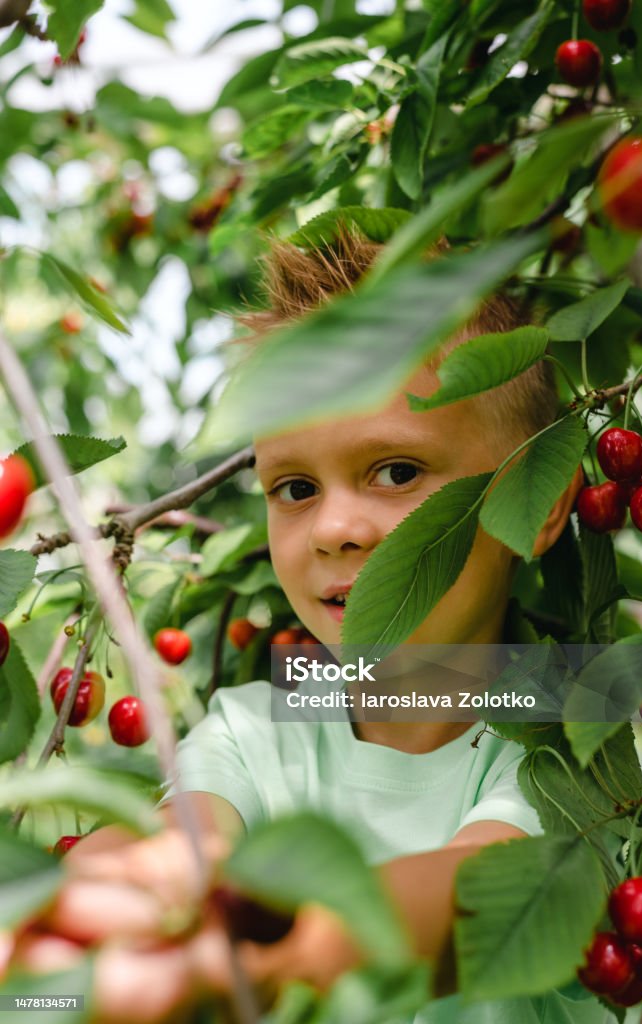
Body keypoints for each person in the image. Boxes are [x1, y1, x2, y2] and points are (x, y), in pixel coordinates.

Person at [11, 229, 608, 1023]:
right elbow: (168, 842)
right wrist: (63, 922)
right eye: (293, 487)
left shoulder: (593, 727)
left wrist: (283, 960)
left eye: (396, 471)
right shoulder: (254, 729)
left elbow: (486, 881)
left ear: (537, 504)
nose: (333, 527)